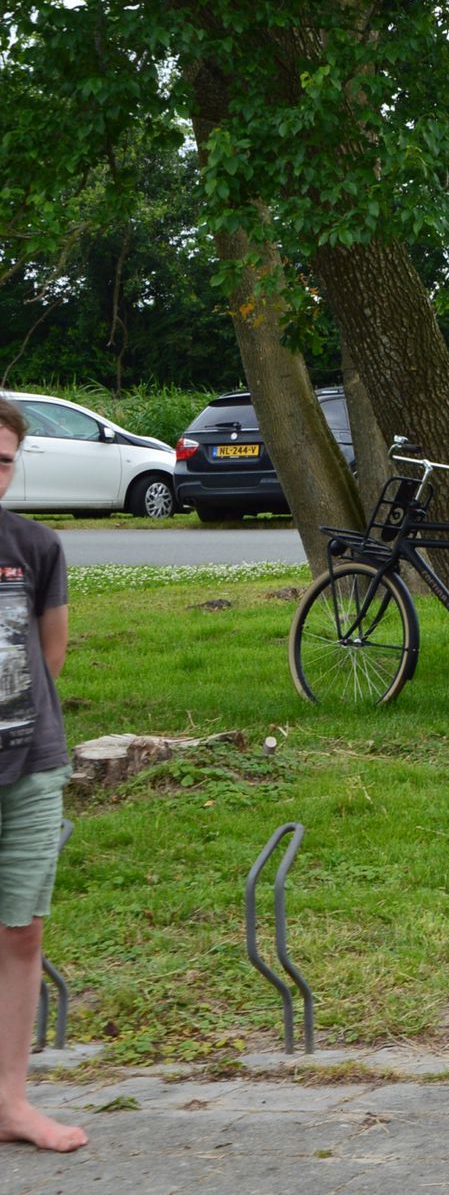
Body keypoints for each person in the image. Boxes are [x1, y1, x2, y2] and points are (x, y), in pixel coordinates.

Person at [0, 399, 87, 1155]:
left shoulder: (36, 545)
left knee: (22, 930)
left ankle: (10, 1102)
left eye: (4, 461)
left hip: (29, 764)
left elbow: (49, 654)